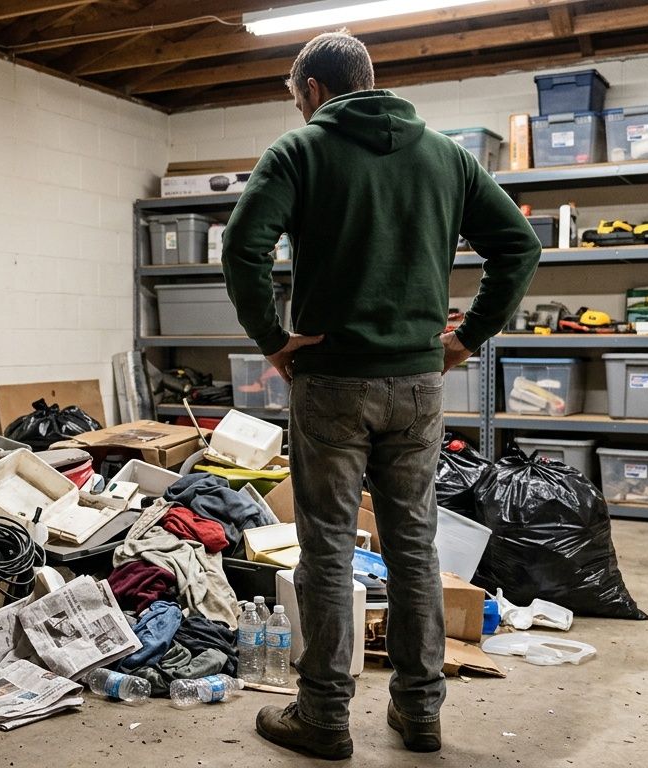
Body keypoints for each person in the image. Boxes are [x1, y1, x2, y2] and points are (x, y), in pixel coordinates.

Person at [220, 31, 540, 761]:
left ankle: (325, 719)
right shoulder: (449, 156)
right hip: (418, 384)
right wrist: (467, 338)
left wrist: (272, 339)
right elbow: (518, 245)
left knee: (327, 553)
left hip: (331, 382)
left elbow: (242, 247)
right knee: (414, 549)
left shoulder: (299, 151)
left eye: (296, 97)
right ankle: (420, 712)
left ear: (311, 91)